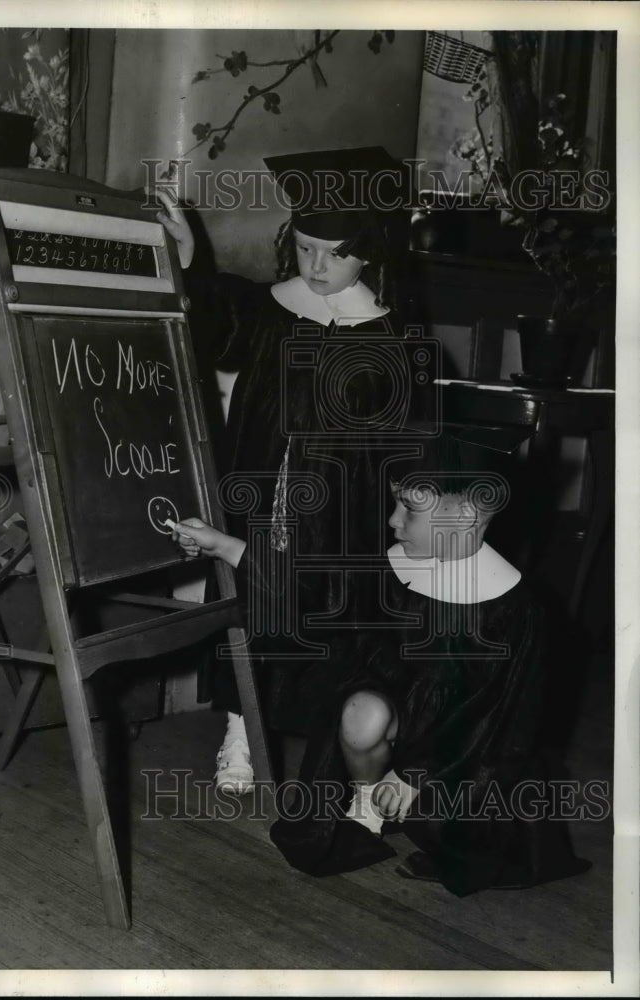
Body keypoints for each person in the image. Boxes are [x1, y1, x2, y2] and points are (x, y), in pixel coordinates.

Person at [155, 146, 430, 793]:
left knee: (327, 622)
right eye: (304, 248)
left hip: (339, 515)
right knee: (249, 610)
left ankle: (335, 743)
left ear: (369, 253)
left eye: (333, 254)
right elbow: (213, 330)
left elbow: (405, 441)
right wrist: (190, 261)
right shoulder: (267, 310)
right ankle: (237, 733)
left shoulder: (393, 336)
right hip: (259, 495)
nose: (315, 266)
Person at [267, 430, 592, 895]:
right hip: (407, 724)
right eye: (395, 504)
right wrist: (226, 547)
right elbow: (311, 592)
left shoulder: (513, 611)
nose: (393, 521)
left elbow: (494, 719)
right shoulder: (395, 570)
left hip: (471, 756)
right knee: (361, 711)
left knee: (462, 821)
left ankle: (433, 824)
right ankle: (370, 805)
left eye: (410, 509)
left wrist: (416, 771)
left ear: (464, 513)